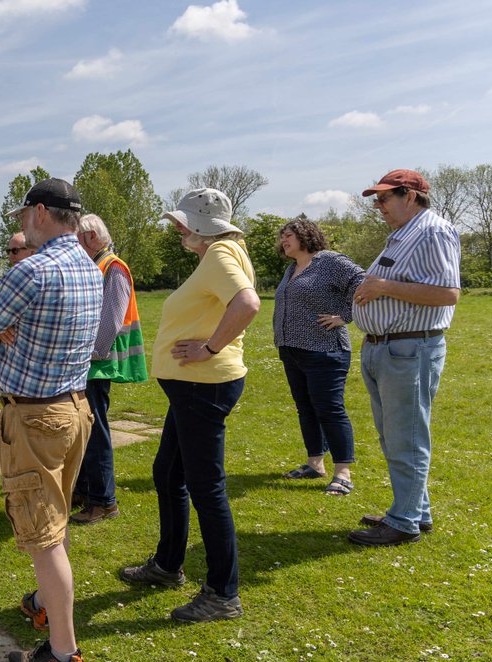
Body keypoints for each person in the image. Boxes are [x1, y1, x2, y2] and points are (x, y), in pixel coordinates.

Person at [0, 178, 101, 662]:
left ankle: (63, 652)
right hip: (74, 409)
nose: (23, 222)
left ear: (42, 213)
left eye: (26, 213)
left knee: (43, 537)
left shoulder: (29, 271)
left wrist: (1, 328)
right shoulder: (90, 266)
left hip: (34, 417)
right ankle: (50, 611)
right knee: (56, 525)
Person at [120, 188, 259, 623]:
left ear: (203, 224)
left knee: (206, 487)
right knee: (169, 472)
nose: (177, 227)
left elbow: (247, 303)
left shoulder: (219, 253)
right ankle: (167, 565)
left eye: (182, 221)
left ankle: (222, 593)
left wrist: (210, 348)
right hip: (191, 388)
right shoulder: (223, 252)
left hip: (203, 386)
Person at [347, 169, 460, 547]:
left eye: (383, 199)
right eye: (376, 200)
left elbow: (447, 293)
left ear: (409, 196)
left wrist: (381, 286)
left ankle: (404, 521)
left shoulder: (432, 230)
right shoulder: (404, 234)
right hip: (388, 347)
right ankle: (416, 510)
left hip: (408, 348)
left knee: (406, 438)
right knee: (395, 436)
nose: (377, 207)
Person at [274, 217, 365, 495]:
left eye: (289, 235)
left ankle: (343, 473)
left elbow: (363, 282)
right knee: (306, 408)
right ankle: (315, 463)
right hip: (292, 350)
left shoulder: (329, 261)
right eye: (282, 237)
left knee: (329, 409)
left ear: (305, 235)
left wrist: (345, 316)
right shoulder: (292, 269)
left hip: (325, 350)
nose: (284, 240)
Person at [70, 213, 148, 524]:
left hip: (98, 364)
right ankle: (85, 491)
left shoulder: (113, 267)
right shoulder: (97, 265)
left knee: (96, 434)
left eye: (77, 238)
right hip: (90, 364)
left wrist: (92, 353)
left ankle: (104, 501)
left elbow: (111, 320)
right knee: (85, 431)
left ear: (90, 238)